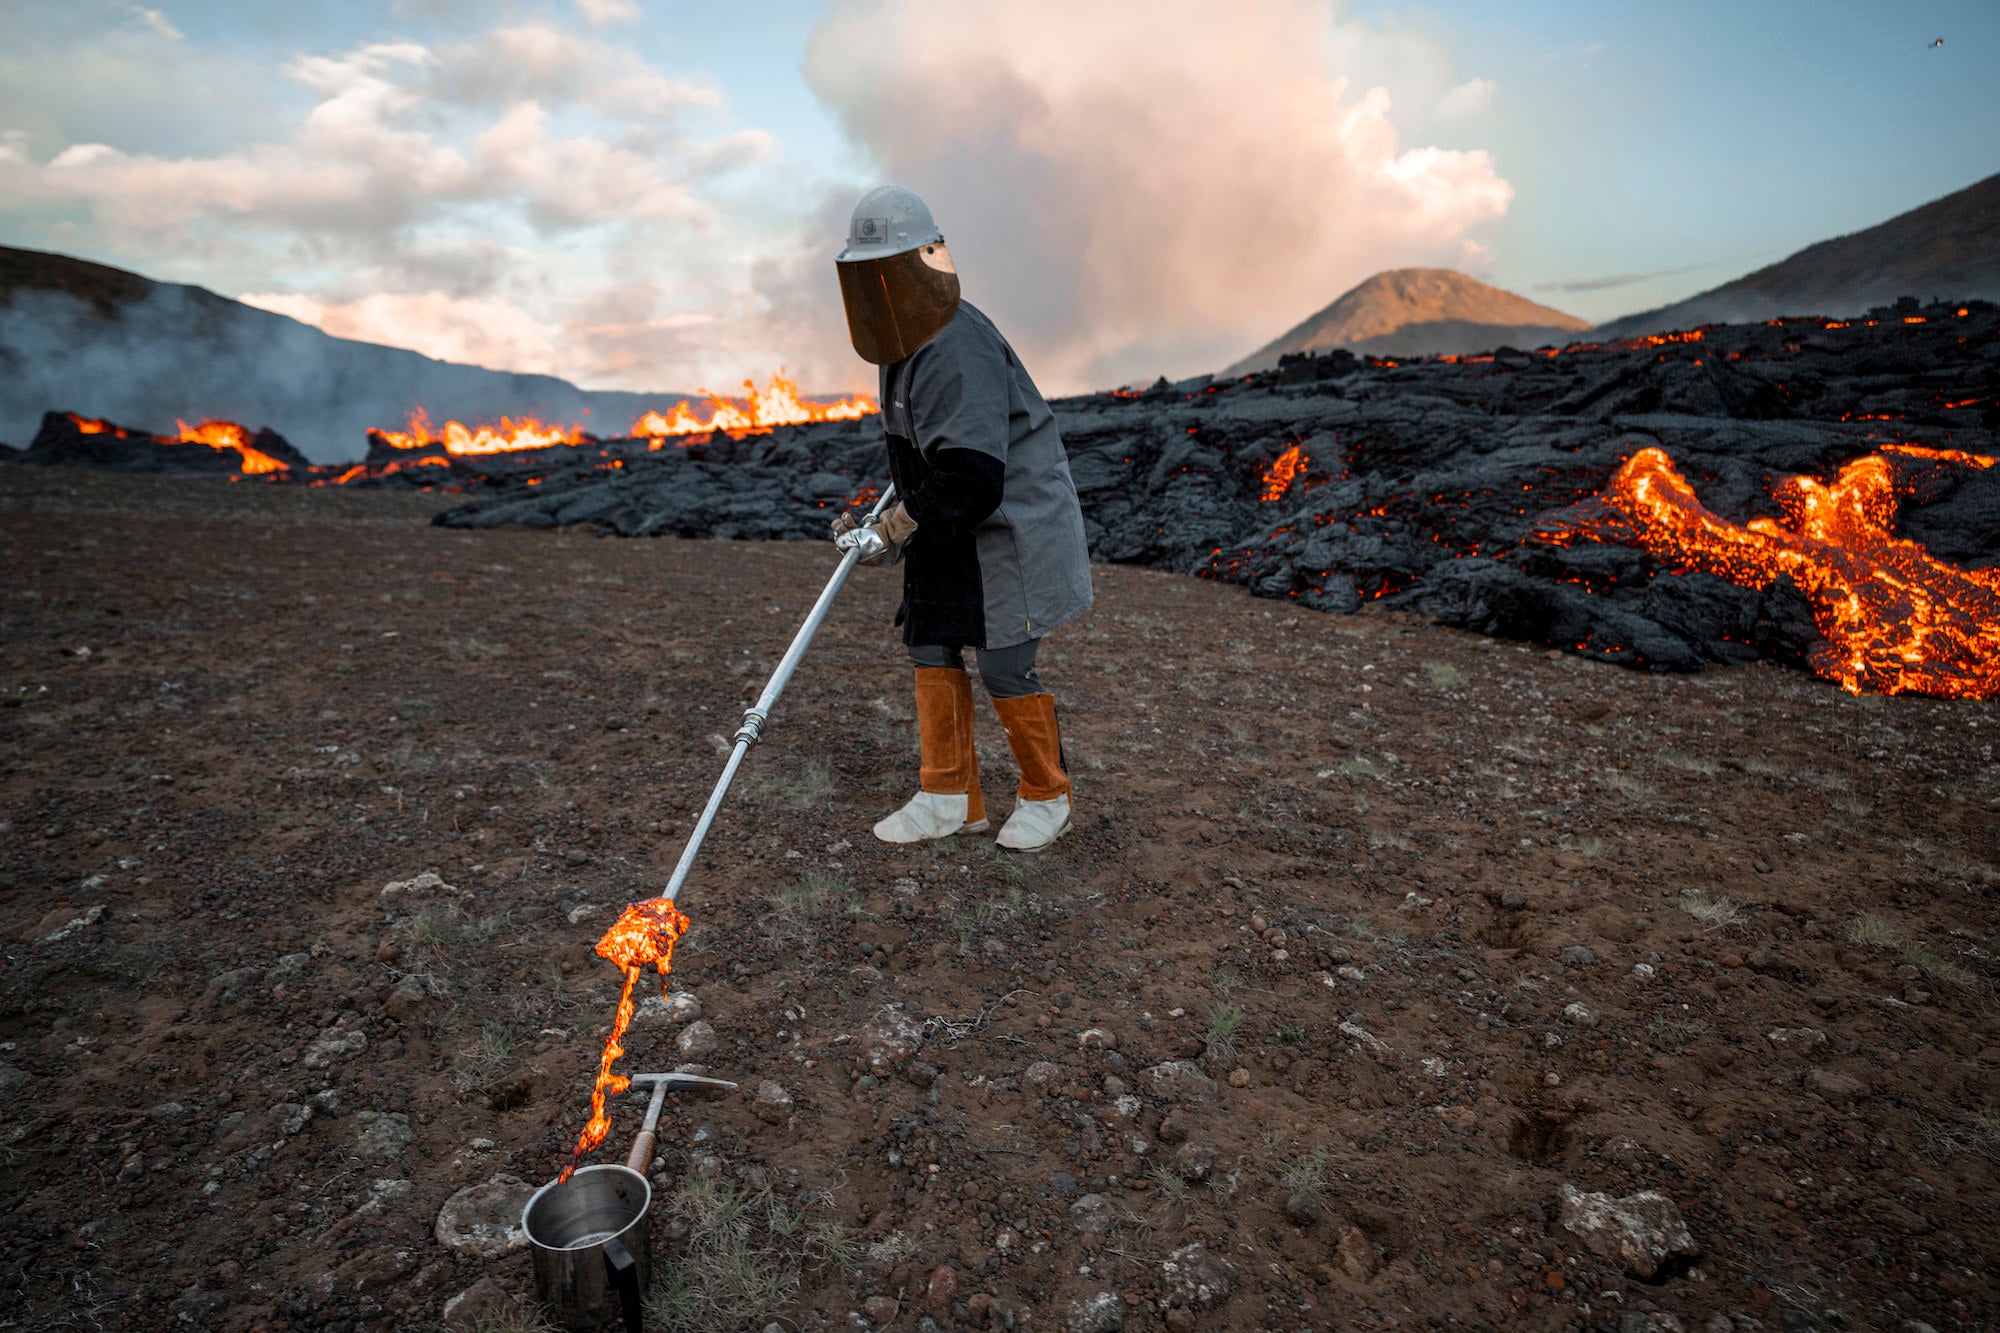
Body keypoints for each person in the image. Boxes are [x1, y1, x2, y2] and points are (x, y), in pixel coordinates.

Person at [829, 184, 1093, 852]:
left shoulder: (956, 342)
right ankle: (949, 797)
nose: (882, 287)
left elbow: (974, 476)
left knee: (1004, 663)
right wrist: (879, 518)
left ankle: (1047, 795)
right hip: (951, 523)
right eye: (870, 276)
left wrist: (896, 529)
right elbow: (922, 462)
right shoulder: (900, 347)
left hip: (1010, 526)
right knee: (930, 638)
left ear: (926, 261)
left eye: (890, 271)